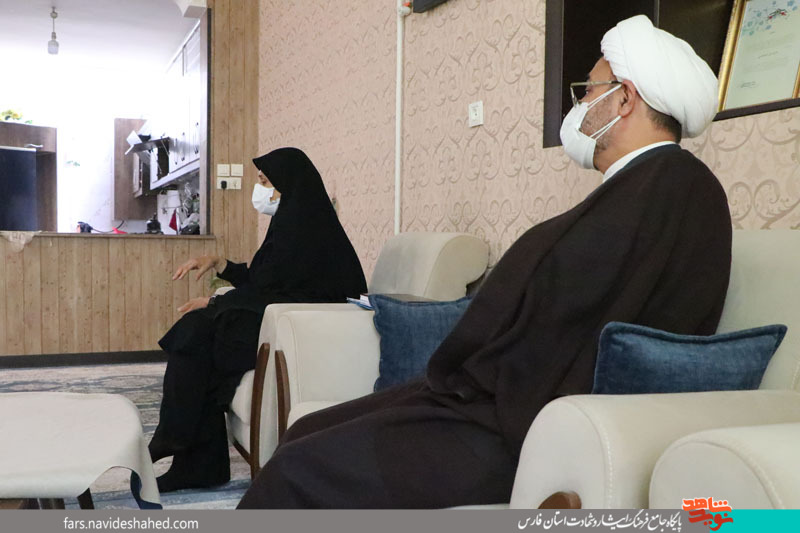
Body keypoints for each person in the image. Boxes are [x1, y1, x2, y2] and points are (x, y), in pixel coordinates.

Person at [237, 15, 732, 509]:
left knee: (299, 469)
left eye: (588, 91)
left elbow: (578, 323)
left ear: (624, 99)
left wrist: (479, 369)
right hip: (492, 396)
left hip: (515, 418)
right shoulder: (643, 185)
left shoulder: (671, 188)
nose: (580, 106)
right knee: (306, 430)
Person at [149, 147, 367, 492]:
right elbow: (265, 280)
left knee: (197, 334)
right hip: (279, 316)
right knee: (197, 335)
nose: (262, 191)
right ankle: (189, 457)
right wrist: (220, 265)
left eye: (267, 183)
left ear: (287, 183)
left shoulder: (305, 226)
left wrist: (217, 301)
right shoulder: (292, 220)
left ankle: (181, 446)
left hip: (301, 327)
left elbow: (283, 291)